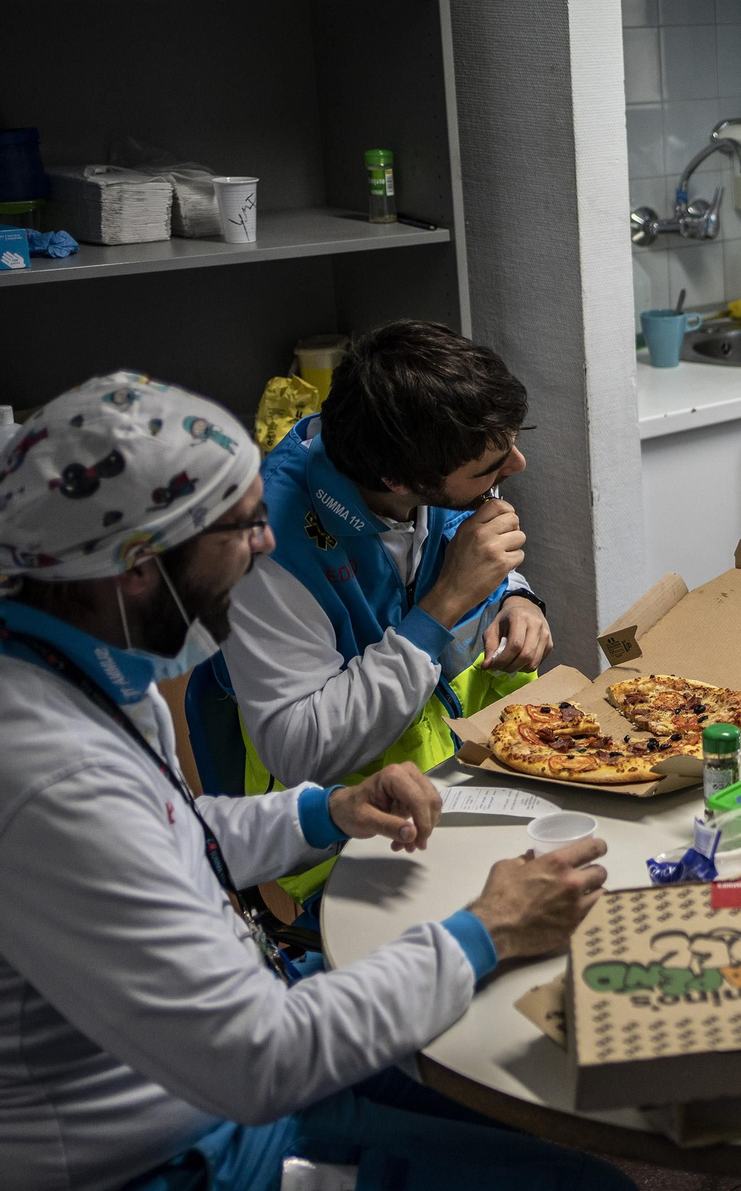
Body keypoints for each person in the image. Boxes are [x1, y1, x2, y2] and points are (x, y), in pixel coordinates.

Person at [0, 373, 628, 1191]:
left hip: (234, 1060)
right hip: (179, 1153)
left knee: (517, 1095)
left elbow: (167, 830)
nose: (265, 544)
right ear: (136, 569)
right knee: (585, 1185)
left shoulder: (70, 665)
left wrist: (324, 810)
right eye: (239, 527)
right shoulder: (48, 776)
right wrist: (489, 930)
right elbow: (262, 1059)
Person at [212, 321, 552, 901]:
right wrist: (444, 605)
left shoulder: (417, 461)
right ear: (401, 480)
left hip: (463, 773)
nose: (515, 466)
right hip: (353, 834)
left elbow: (450, 544)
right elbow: (299, 750)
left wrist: (514, 594)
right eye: (490, 466)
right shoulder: (269, 552)